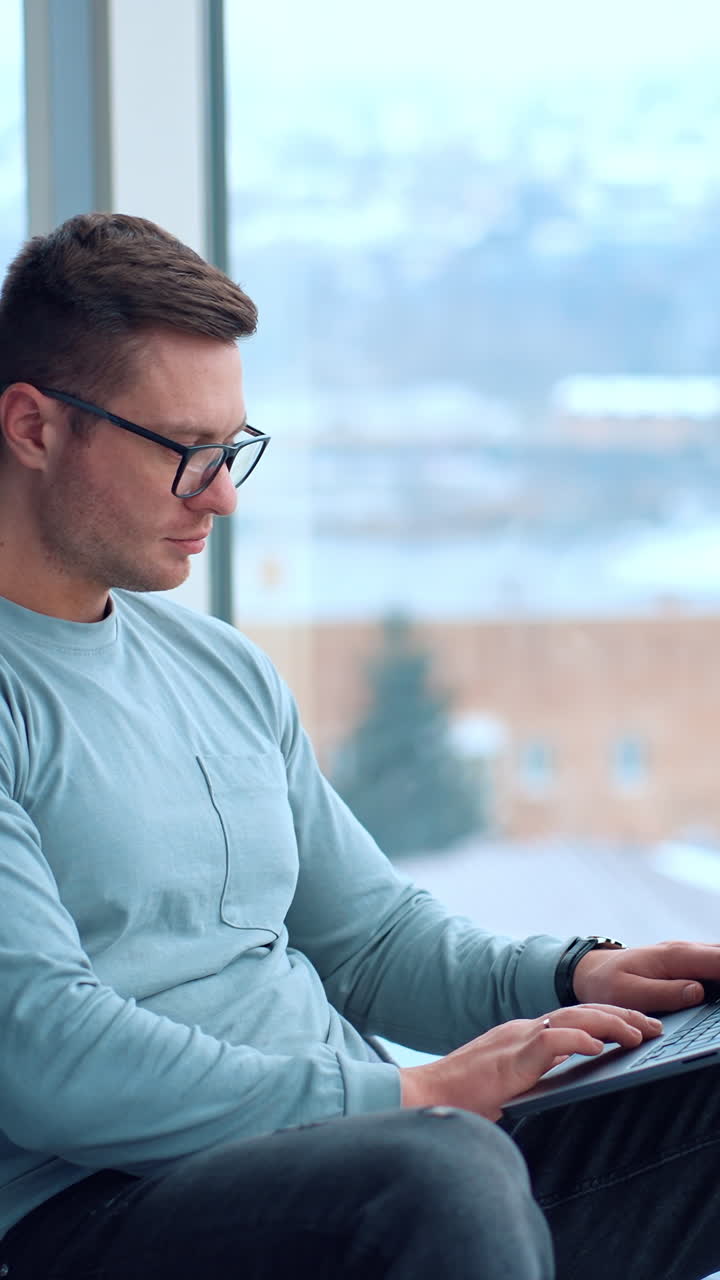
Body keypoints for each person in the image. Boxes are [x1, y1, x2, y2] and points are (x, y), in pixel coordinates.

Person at [0, 212, 717, 1280]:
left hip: (380, 1160)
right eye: (185, 452)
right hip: (102, 1210)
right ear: (33, 425)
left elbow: (372, 942)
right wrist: (410, 1095)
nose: (221, 493)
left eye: (232, 449)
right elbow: (43, 1051)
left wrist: (574, 974)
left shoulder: (219, 668)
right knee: (440, 1170)